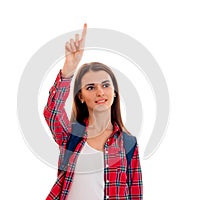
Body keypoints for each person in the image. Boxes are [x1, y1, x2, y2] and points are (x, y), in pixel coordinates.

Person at [43, 23, 143, 200]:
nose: (100, 92)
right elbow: (52, 112)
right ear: (80, 96)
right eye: (90, 87)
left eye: (105, 85)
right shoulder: (71, 135)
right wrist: (68, 71)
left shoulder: (128, 143)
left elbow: (135, 194)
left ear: (114, 92)